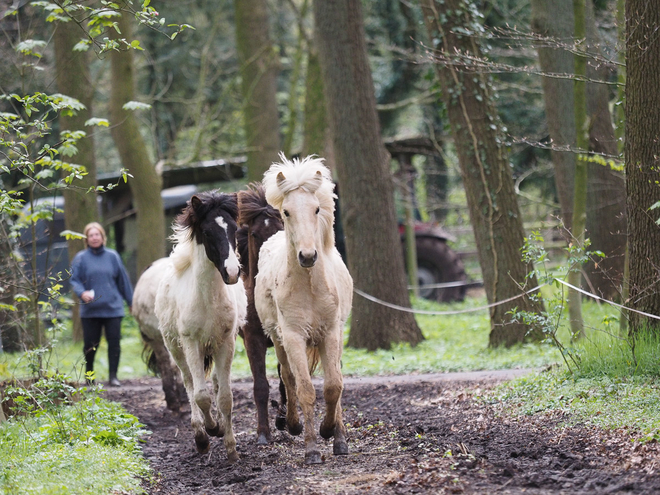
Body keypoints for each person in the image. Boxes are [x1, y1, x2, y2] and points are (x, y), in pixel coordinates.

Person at [70, 222, 133, 387]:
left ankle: (113, 376)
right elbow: (74, 280)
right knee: (90, 345)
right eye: (91, 235)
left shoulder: (113, 256)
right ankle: (89, 376)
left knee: (114, 343)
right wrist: (81, 293)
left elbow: (123, 281)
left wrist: (131, 302)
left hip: (113, 309)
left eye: (97, 234)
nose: (94, 238)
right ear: (87, 239)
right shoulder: (81, 258)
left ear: (102, 237)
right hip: (91, 311)